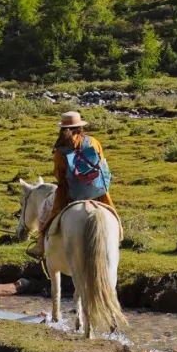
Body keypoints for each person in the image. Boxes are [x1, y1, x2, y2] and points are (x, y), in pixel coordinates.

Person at [33, 110, 116, 260]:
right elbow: (103, 165)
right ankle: (119, 232)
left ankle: (40, 244)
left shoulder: (60, 151)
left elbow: (60, 177)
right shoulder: (93, 142)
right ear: (80, 127)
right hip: (97, 189)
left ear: (62, 128)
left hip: (72, 193)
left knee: (52, 212)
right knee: (110, 209)